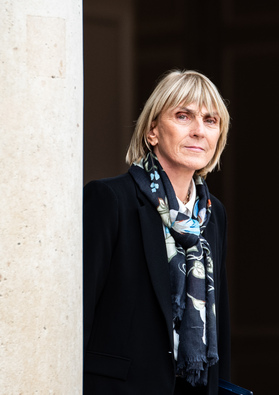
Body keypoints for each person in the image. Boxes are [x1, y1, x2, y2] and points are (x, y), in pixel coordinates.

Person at [83, 70, 231, 394]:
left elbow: (220, 322)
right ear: (153, 131)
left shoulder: (212, 214)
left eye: (210, 120)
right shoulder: (110, 200)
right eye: (183, 116)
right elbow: (78, 315)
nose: (198, 131)